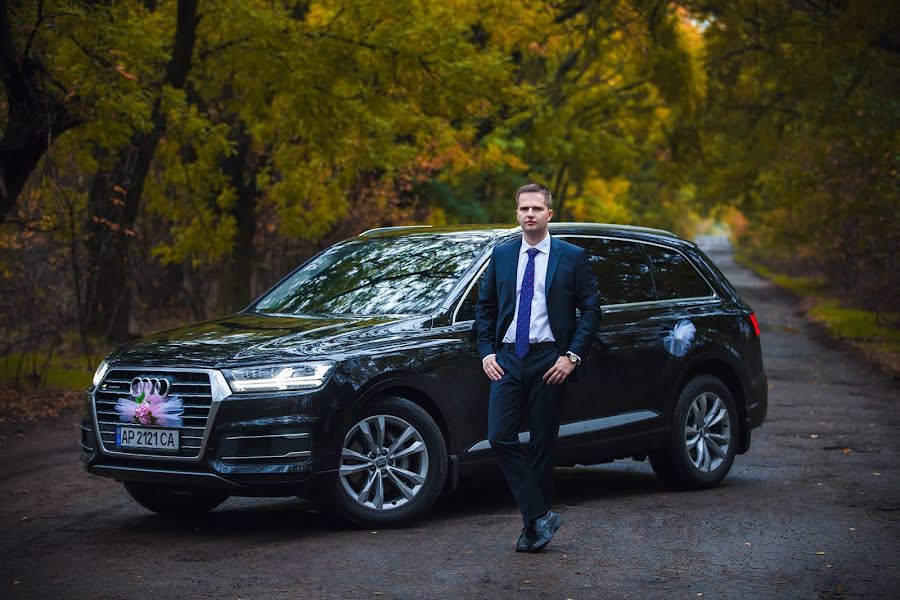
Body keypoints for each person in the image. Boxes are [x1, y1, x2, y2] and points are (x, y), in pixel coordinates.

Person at [475, 182, 602, 553]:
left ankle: (534, 529)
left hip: (551, 359)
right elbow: (485, 308)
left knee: (543, 445)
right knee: (499, 436)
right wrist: (487, 352)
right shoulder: (501, 255)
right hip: (509, 357)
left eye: (536, 208)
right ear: (516, 214)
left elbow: (592, 311)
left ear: (550, 214)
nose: (529, 214)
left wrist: (572, 357)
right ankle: (542, 513)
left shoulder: (572, 256)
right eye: (523, 209)